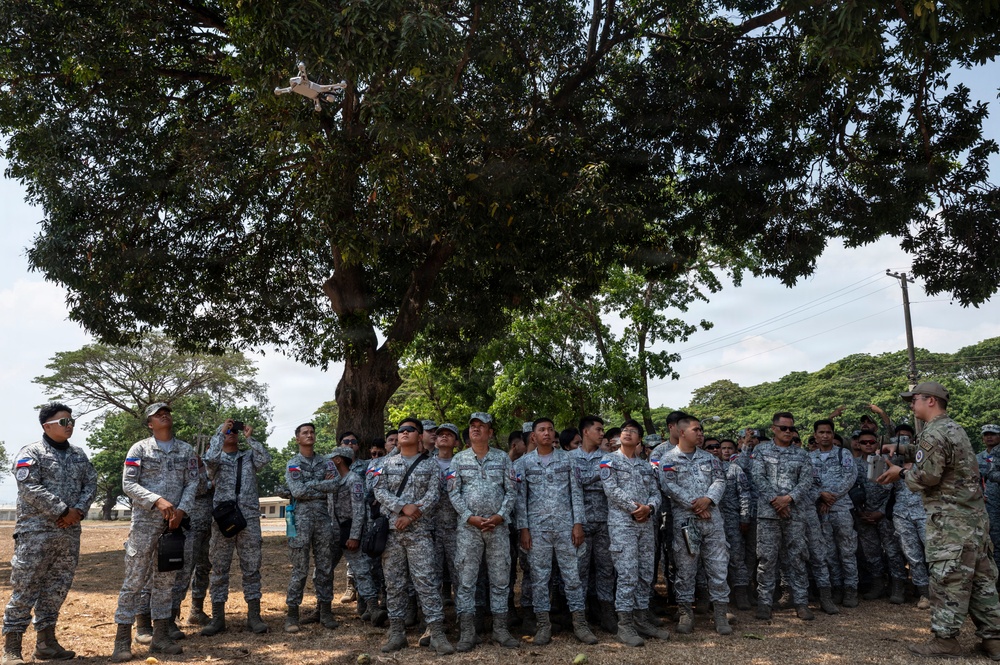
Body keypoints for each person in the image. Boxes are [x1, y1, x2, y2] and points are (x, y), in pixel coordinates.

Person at [877, 382, 1000, 659]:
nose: (911, 405)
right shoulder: (953, 428)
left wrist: (899, 473)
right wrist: (903, 450)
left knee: (948, 579)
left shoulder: (933, 433)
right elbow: (939, 456)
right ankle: (994, 641)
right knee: (981, 580)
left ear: (930, 400)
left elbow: (927, 477)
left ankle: (946, 641)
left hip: (950, 524)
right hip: (973, 520)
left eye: (914, 399)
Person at [2, 403, 96, 665]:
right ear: (46, 426)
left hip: (68, 534)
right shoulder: (31, 452)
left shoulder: (79, 455)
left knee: (57, 588)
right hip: (36, 534)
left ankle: (46, 643)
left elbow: (91, 482)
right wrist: (62, 510)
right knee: (25, 588)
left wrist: (78, 510)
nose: (70, 426)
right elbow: (28, 486)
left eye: (71, 421)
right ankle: (11, 648)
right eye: (64, 422)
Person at [111, 403, 199, 662]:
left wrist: (182, 510)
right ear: (150, 424)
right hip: (145, 523)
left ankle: (160, 637)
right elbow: (128, 483)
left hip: (173, 525)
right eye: (157, 414)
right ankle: (122, 641)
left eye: (167, 412)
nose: (164, 415)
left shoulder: (186, 449)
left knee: (165, 581)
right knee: (135, 581)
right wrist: (157, 500)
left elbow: (193, 481)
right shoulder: (139, 448)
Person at [373, 417, 453, 655]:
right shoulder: (386, 464)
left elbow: (434, 496)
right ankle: (397, 634)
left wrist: (410, 516)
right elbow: (378, 490)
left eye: (411, 430)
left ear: (420, 437)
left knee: (427, 583)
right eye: (401, 430)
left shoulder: (430, 465)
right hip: (393, 533)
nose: (405, 432)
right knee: (394, 584)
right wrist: (401, 507)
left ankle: (436, 633)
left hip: (420, 533)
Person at [515, 418, 597, 646]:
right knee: (540, 579)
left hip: (565, 528)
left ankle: (580, 624)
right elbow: (520, 500)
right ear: (533, 436)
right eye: (541, 430)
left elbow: (576, 493)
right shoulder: (523, 463)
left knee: (572, 577)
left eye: (550, 429)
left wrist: (578, 523)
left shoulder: (568, 459)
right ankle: (543, 625)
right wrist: (524, 529)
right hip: (537, 529)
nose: (547, 433)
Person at [448, 413, 519, 651]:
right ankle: (468, 633)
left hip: (498, 528)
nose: (476, 430)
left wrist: (500, 516)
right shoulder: (458, 460)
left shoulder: (502, 459)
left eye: (482, 427)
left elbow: (511, 491)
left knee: (500, 579)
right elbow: (453, 492)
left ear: (490, 432)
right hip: (469, 529)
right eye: (472, 427)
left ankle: (500, 630)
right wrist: (469, 517)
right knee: (466, 581)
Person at [659, 416, 732, 635]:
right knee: (685, 568)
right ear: (682, 432)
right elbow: (668, 486)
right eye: (696, 430)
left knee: (718, 566)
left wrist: (708, 500)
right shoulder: (668, 459)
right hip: (686, 522)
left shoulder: (710, 459)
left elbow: (720, 480)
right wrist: (695, 504)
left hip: (712, 521)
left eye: (701, 430)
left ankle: (720, 614)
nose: (700, 433)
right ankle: (685, 613)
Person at [600, 419, 669, 646]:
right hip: (623, 525)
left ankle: (641, 619)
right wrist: (635, 508)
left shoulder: (645, 466)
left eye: (632, 431)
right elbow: (611, 490)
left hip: (646, 525)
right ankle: (625, 625)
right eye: (624, 431)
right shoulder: (609, 460)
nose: (627, 434)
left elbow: (656, 493)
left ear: (639, 439)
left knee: (645, 574)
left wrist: (649, 508)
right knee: (627, 574)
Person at [201, 418, 271, 636]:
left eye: (234, 431)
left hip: (248, 518)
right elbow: (209, 458)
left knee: (252, 567)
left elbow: (265, 459)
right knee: (219, 568)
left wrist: (251, 438)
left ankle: (254, 617)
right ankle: (217, 618)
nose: (231, 433)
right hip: (223, 520)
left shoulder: (248, 456)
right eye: (227, 431)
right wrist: (220, 433)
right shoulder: (215, 458)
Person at [751, 412, 814, 622]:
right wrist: (775, 501)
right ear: (774, 429)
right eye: (784, 428)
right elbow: (758, 477)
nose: (788, 432)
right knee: (767, 559)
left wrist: (788, 499)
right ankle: (764, 603)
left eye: (791, 429)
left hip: (795, 513)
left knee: (797, 558)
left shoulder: (802, 454)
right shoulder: (760, 450)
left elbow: (806, 482)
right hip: (768, 514)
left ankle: (801, 603)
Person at [283, 422, 340, 633]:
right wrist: (320, 484)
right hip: (300, 521)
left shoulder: (326, 462)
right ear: (297, 439)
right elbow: (297, 491)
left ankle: (325, 611)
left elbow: (335, 484)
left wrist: (311, 485)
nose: (310, 435)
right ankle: (292, 615)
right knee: (299, 569)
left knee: (325, 567)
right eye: (305, 433)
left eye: (312, 432)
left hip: (323, 521)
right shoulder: (293, 463)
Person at [570, 415, 617, 634]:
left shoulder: (608, 458)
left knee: (606, 568)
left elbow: (609, 484)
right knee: (579, 570)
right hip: (579, 522)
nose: (602, 434)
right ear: (585, 432)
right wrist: (598, 476)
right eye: (598, 430)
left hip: (605, 520)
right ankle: (581, 616)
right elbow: (575, 484)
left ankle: (606, 612)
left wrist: (590, 479)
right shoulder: (569, 458)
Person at [327, 446, 383, 626]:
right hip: (333, 534)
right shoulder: (333, 481)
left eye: (331, 459)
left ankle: (373, 608)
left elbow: (359, 511)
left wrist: (355, 536)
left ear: (338, 460)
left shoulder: (354, 480)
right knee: (322, 570)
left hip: (350, 532)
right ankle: (322, 608)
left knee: (362, 572)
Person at [810, 419, 859, 608]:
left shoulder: (843, 454)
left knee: (847, 551)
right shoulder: (809, 457)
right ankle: (836, 587)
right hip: (820, 511)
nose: (824, 436)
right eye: (821, 432)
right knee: (828, 552)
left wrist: (832, 497)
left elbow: (850, 477)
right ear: (815, 435)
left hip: (841, 509)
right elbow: (808, 482)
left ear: (833, 434)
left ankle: (851, 589)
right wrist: (821, 496)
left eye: (828, 432)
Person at [978, 424, 1000, 572]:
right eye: (986, 434)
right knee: (993, 540)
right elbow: (974, 480)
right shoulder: (978, 458)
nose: (989, 437)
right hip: (989, 505)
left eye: (992, 434)